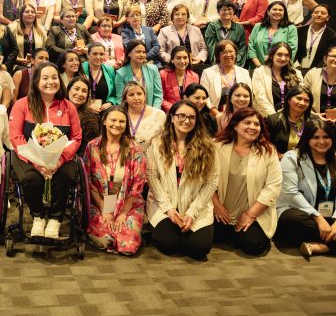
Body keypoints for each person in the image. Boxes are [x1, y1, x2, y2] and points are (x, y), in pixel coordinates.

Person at [8, 62, 82, 239]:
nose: (51, 82)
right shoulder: (22, 104)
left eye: (54, 77)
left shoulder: (68, 107)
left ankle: (56, 219)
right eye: (45, 78)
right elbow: (16, 137)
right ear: (36, 82)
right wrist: (37, 163)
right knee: (30, 178)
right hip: (27, 156)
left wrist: (60, 160)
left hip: (60, 157)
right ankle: (38, 217)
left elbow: (76, 137)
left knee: (66, 176)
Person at [146, 101, 219, 259]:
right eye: (182, 116)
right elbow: (152, 177)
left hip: (196, 205)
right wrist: (169, 209)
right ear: (172, 117)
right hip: (163, 204)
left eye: (191, 117)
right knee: (169, 244)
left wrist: (192, 213)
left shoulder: (208, 146)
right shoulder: (157, 143)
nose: (186, 121)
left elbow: (211, 183)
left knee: (199, 248)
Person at [211, 107, 282, 255]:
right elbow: (206, 179)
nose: (252, 127)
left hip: (253, 212)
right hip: (220, 212)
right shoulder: (217, 146)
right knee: (201, 240)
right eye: (247, 122)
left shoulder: (268, 151)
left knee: (254, 246)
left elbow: (273, 187)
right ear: (235, 125)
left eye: (256, 124)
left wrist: (250, 214)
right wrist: (217, 206)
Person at [86, 106, 147, 254]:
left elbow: (137, 187)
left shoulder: (135, 149)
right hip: (101, 200)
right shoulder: (92, 146)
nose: (117, 124)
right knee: (105, 232)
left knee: (128, 244)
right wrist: (106, 209)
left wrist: (123, 213)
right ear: (104, 121)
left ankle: (124, 236)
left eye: (122, 121)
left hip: (128, 202)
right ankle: (100, 236)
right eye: (113, 120)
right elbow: (89, 182)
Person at [276, 119, 336, 257]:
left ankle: (322, 247)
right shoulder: (292, 158)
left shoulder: (334, 158)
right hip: (302, 214)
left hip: (330, 217)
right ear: (307, 138)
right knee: (293, 220)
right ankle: (330, 242)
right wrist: (318, 218)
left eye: (326, 137)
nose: (322, 141)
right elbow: (290, 193)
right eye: (316, 137)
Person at [252, 42, 302, 117]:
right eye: (279, 54)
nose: (283, 58)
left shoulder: (296, 73)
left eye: (287, 55)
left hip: (292, 117)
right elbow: (261, 99)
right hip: (267, 116)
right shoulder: (259, 72)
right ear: (271, 56)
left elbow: (302, 96)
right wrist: (275, 118)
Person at [200, 40, 252, 111]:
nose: (228, 55)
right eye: (224, 52)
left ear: (235, 54)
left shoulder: (244, 72)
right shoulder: (208, 73)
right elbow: (205, 97)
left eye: (231, 51)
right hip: (216, 114)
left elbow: (249, 95)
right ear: (218, 55)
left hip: (240, 113)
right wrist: (217, 114)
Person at [265, 87, 317, 156]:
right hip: (279, 160)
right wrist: (279, 156)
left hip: (305, 160)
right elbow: (266, 143)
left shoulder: (313, 121)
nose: (302, 103)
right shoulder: (273, 120)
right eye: (299, 98)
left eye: (306, 101)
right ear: (289, 100)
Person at [157, 4, 208, 74]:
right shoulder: (164, 31)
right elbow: (160, 50)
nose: (180, 17)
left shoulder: (196, 30)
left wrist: (199, 58)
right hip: (173, 66)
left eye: (183, 14)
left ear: (187, 17)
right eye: (177, 14)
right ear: (172, 17)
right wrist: (172, 60)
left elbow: (204, 49)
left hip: (195, 65)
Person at [248, 1, 299, 69]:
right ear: (268, 12)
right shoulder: (258, 27)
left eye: (280, 10)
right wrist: (259, 66)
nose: (277, 12)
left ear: (284, 13)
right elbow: (251, 47)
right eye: (274, 9)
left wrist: (276, 68)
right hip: (257, 67)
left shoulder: (291, 28)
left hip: (280, 68)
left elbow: (292, 49)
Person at [115, 40, 163, 108]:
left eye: (144, 52)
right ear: (129, 53)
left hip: (151, 110)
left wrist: (154, 111)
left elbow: (158, 94)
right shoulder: (120, 73)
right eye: (138, 52)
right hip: (129, 111)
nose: (142, 55)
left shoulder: (153, 69)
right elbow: (120, 100)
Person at [120, 80, 166, 150]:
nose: (136, 98)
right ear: (125, 98)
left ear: (144, 96)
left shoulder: (159, 115)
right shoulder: (119, 115)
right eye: (131, 95)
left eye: (139, 94)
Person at [204, 0, 247, 67]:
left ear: (233, 11)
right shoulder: (212, 27)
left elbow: (242, 49)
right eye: (224, 9)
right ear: (218, 12)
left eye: (229, 9)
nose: (227, 12)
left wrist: (234, 64)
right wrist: (218, 65)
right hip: (217, 64)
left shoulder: (239, 28)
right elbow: (211, 48)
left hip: (235, 64)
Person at [297, 4, 336, 73]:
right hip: (297, 69)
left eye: (323, 13)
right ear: (312, 15)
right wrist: (296, 67)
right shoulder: (300, 31)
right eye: (316, 12)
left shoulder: (332, 35)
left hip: (318, 72)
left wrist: (315, 71)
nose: (319, 15)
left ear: (328, 17)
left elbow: (328, 55)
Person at [66, 76, 101, 153]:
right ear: (68, 90)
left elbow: (88, 149)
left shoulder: (90, 119)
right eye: (76, 89)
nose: (80, 94)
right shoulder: (57, 111)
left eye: (84, 91)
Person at [9, 3, 47, 70]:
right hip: (17, 64)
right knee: (26, 71)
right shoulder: (12, 28)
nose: (30, 14)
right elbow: (8, 50)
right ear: (21, 14)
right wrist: (17, 59)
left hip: (37, 65)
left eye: (32, 12)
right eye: (27, 12)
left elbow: (44, 49)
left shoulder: (41, 29)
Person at [161, 46, 199, 112]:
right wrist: (175, 110)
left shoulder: (195, 76)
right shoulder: (163, 74)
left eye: (185, 58)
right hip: (169, 111)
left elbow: (195, 97)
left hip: (188, 111)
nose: (182, 61)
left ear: (189, 59)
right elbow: (160, 97)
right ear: (172, 60)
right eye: (178, 58)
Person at [80, 42, 117, 113]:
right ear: (88, 55)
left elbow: (114, 94)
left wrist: (110, 103)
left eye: (101, 54)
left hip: (104, 111)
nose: (98, 57)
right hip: (84, 110)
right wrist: (87, 106)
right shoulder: (80, 68)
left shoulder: (110, 69)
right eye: (95, 54)